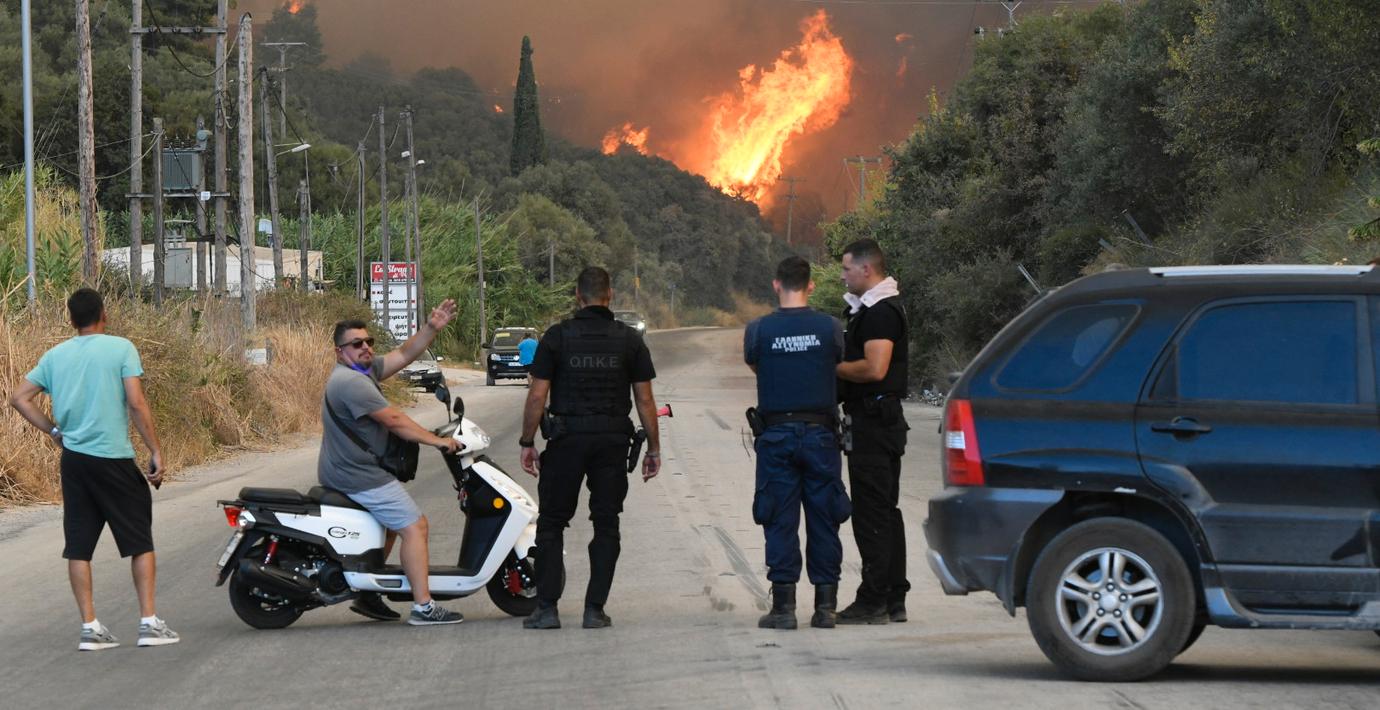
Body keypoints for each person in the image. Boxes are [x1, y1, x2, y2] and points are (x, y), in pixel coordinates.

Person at [8, 288, 179, 651]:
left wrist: (54, 431)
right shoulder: (121, 349)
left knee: (79, 545)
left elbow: (19, 397)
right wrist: (155, 450)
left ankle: (90, 627)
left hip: (74, 461)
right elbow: (136, 402)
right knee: (139, 540)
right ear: (104, 314)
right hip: (113, 458)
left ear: (71, 320)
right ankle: (148, 622)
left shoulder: (55, 356)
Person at [518, 266, 661, 630]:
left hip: (566, 440)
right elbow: (645, 400)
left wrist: (527, 442)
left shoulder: (557, 337)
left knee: (552, 522)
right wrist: (654, 449)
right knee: (606, 522)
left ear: (577, 296)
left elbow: (537, 395)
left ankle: (547, 609)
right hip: (612, 442)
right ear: (609, 295)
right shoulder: (629, 340)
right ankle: (594, 610)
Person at [320, 300, 466, 626]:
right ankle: (424, 607)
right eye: (356, 344)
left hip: (346, 469)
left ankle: (367, 593)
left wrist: (432, 327)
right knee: (415, 526)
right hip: (357, 474)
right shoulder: (351, 383)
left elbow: (403, 354)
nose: (365, 347)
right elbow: (394, 420)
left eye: (368, 341)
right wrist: (438, 440)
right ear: (339, 352)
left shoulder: (363, 370)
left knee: (385, 527)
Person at [744, 257, 851, 630]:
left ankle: (784, 608)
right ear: (811, 285)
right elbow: (835, 362)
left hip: (776, 436)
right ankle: (826, 608)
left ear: (776, 284)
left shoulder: (759, 330)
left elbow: (757, 365)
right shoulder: (830, 327)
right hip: (821, 436)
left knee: (778, 517)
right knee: (825, 517)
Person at [834, 239, 912, 625]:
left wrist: (830, 367)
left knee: (871, 514)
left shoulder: (880, 311)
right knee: (885, 510)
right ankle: (894, 596)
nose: (842, 275)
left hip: (874, 423)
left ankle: (873, 599)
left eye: (846, 268)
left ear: (866, 269)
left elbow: (874, 368)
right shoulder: (871, 308)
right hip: (879, 421)